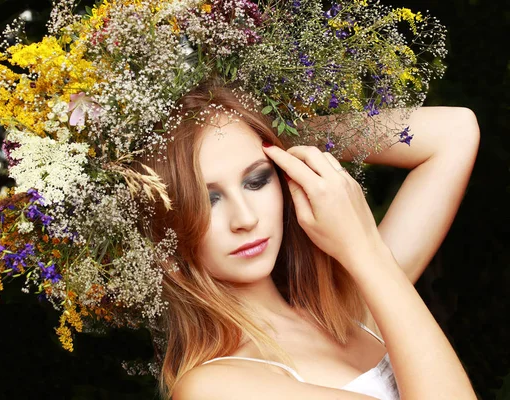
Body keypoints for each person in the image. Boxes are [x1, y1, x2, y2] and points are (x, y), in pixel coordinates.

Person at [135, 79, 481, 399]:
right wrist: (363, 248)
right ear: (166, 226)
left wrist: (276, 131)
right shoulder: (213, 387)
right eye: (208, 200)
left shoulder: (351, 308)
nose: (245, 218)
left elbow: (454, 133)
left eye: (256, 180)